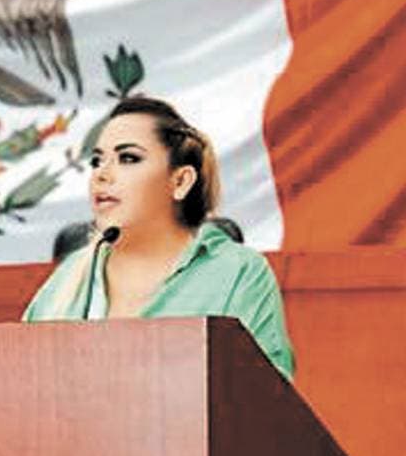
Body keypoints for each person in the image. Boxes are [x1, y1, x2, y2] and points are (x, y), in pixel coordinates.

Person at [23, 96, 295, 380]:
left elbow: (267, 398)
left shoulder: (239, 273)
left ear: (180, 181)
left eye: (128, 158)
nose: (101, 175)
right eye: (97, 161)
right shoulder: (68, 277)